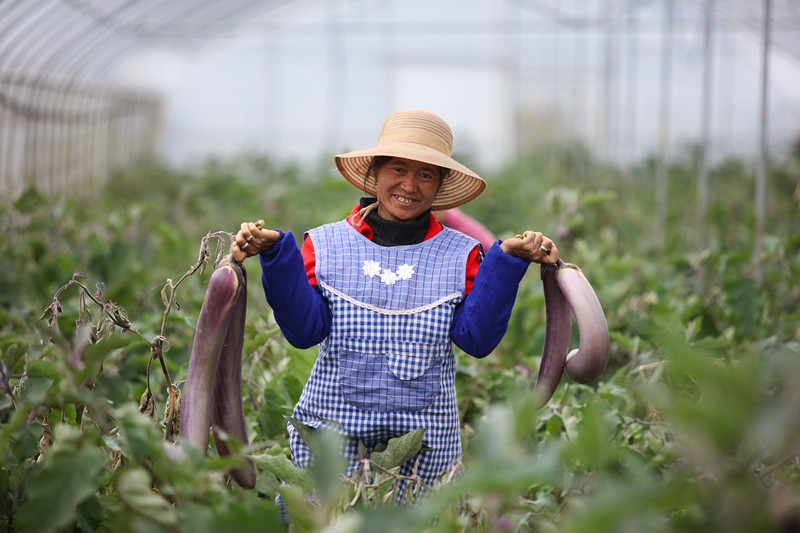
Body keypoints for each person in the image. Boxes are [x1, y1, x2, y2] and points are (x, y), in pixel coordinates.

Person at [231, 110, 558, 503]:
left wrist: (506, 260)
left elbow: (476, 339)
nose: (409, 185)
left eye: (425, 175)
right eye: (398, 169)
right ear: (375, 173)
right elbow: (304, 331)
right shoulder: (325, 245)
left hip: (426, 448)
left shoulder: (462, 254)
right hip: (332, 442)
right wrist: (275, 255)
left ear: (440, 185)